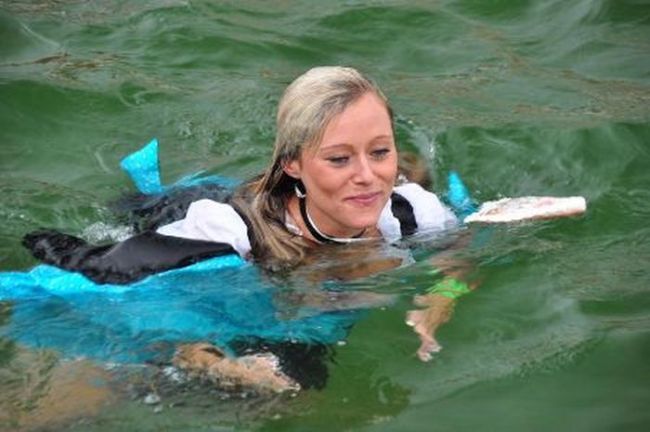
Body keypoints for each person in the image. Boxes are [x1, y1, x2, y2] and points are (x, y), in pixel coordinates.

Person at [22, 66, 475, 389]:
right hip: (191, 209)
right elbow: (93, 272)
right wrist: (202, 357)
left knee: (300, 385)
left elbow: (461, 259)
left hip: (299, 273)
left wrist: (441, 299)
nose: (368, 176)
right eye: (339, 158)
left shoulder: (414, 212)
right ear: (293, 163)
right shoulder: (222, 234)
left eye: (381, 152)